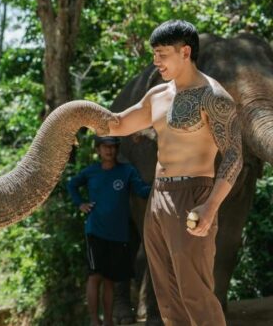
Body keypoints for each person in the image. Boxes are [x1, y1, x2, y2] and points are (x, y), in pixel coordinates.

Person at [107, 20, 243, 325]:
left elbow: (234, 155)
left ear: (185, 52)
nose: (156, 61)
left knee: (195, 294)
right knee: (167, 298)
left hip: (193, 195)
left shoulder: (214, 97)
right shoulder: (157, 95)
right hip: (158, 197)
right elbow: (119, 123)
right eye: (154, 54)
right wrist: (75, 115)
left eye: (162, 53)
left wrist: (210, 207)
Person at [68, 135, 151, 326]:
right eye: (105, 147)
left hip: (119, 234)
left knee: (110, 279)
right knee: (95, 276)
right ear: (98, 150)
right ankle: (94, 320)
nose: (109, 150)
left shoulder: (127, 171)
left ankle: (108, 321)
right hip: (95, 231)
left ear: (117, 149)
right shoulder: (91, 172)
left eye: (113, 146)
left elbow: (141, 190)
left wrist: (161, 186)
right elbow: (72, 184)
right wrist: (80, 203)